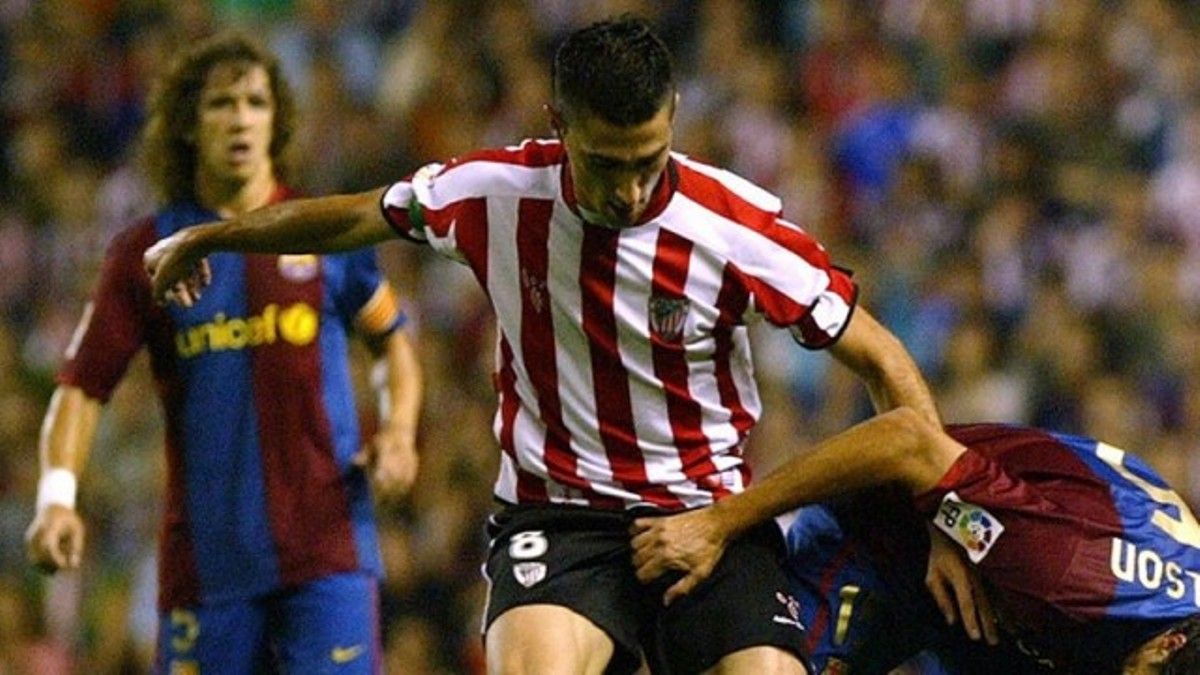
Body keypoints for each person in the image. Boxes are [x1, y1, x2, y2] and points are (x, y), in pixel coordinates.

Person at [143, 16, 941, 675]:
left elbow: (881, 357)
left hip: (712, 518)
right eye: (605, 164)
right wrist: (216, 235)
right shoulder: (494, 194)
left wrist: (940, 523)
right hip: (559, 522)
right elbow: (355, 215)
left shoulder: (731, 228)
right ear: (561, 129)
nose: (629, 191)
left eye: (647, 161)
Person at [24, 33, 423, 674]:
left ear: (276, 120)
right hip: (207, 571)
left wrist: (400, 431)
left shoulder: (322, 229)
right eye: (220, 104)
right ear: (187, 124)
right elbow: (82, 385)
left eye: (256, 101)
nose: (240, 117)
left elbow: (392, 339)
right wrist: (56, 499)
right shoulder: (146, 253)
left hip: (327, 555)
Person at [628, 407, 1200, 674]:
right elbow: (905, 443)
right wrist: (722, 523)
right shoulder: (1067, 571)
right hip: (883, 549)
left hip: (1003, 617)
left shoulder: (1171, 619)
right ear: (1170, 645)